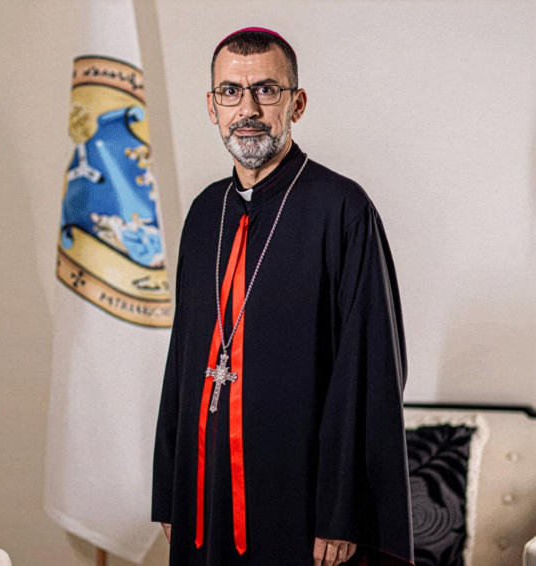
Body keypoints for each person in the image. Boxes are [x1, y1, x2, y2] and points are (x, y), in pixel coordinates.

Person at [152, 28, 414, 566]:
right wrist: (171, 488)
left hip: (301, 503)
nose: (247, 109)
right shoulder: (204, 213)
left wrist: (342, 512)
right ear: (212, 107)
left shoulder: (342, 209)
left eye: (266, 91)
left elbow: (368, 370)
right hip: (204, 493)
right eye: (231, 92)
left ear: (297, 104)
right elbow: (182, 359)